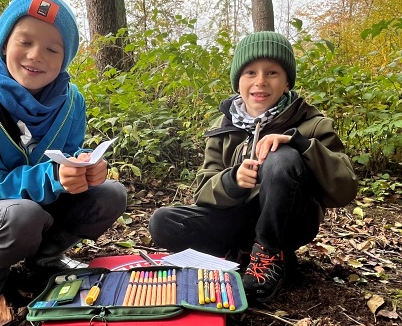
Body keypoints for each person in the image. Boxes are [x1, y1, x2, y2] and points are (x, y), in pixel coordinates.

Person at [0, 0, 127, 313]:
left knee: (111, 194)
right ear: (4, 44)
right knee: (23, 215)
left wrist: (86, 166)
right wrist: (54, 176)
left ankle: (45, 259)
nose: (36, 55)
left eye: (52, 49)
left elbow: (68, 153)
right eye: (25, 42)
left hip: (37, 207)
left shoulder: (71, 101)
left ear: (64, 59)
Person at [149, 31, 358, 304]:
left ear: (286, 83)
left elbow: (345, 190)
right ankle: (239, 255)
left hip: (290, 221)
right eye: (250, 72)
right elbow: (202, 191)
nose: (260, 81)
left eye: (272, 73)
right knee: (164, 221)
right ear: (238, 82)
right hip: (236, 220)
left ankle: (270, 254)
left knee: (281, 156)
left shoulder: (313, 124)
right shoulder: (222, 127)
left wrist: (300, 143)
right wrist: (233, 180)